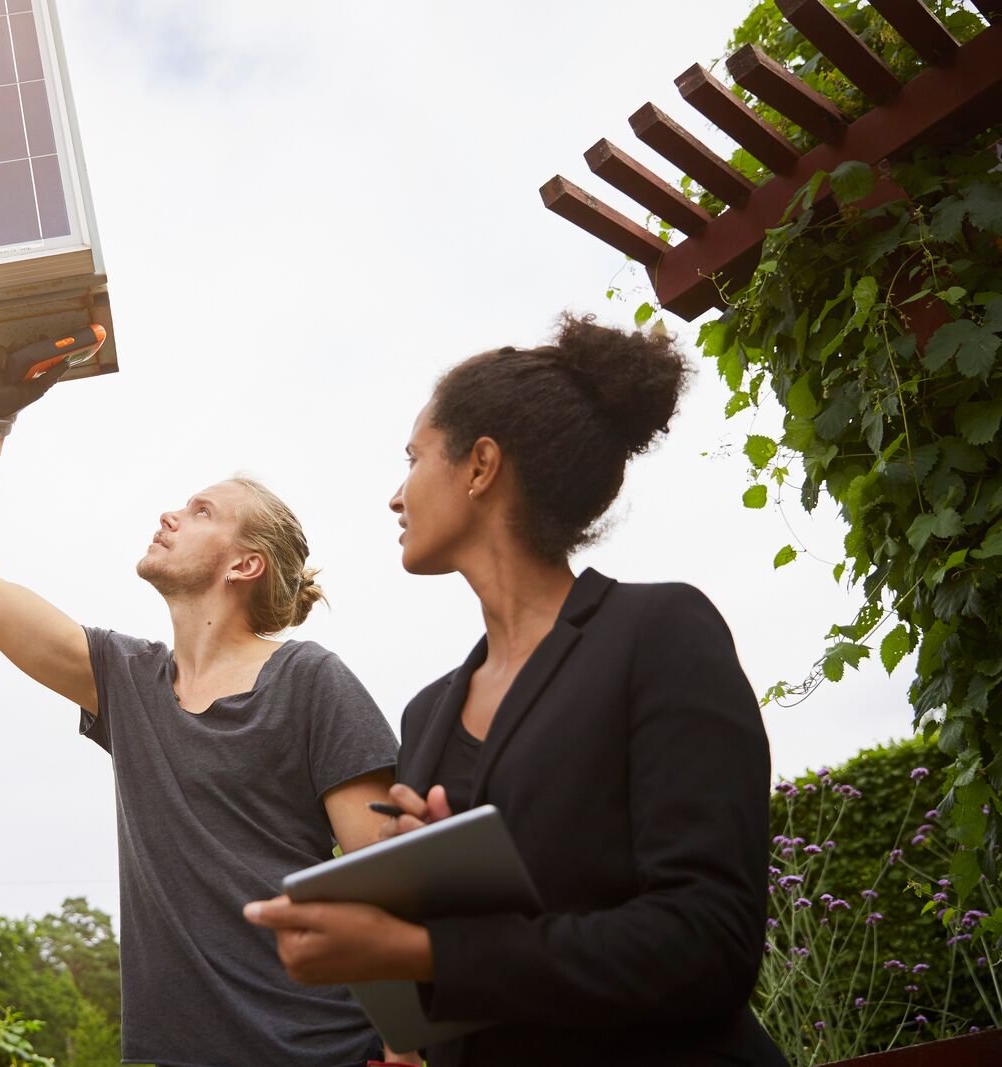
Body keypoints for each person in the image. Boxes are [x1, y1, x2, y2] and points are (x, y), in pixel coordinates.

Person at [245, 315, 787, 1065]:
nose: (395, 496)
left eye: (413, 458)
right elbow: (489, 968)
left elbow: (707, 943)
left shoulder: (659, 633)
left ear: (480, 465)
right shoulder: (427, 713)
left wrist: (425, 947)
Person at [0, 347, 404, 1067]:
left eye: (200, 510)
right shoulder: (126, 681)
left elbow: (388, 878)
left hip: (322, 1050)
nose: (170, 513)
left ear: (244, 564)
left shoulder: (311, 682)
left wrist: (405, 1039)